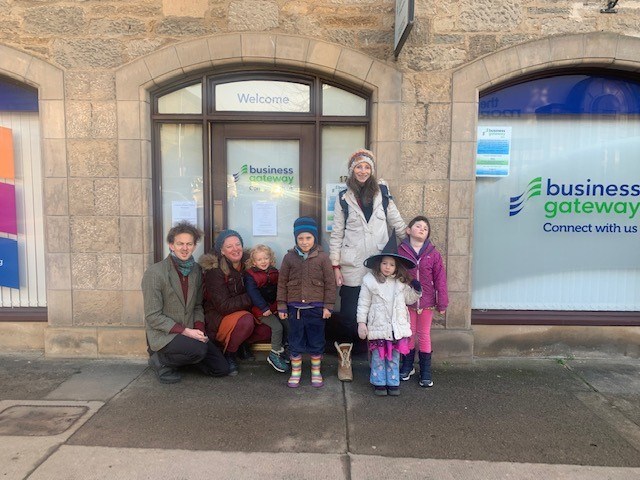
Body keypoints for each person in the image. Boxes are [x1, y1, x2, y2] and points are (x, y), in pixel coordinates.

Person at [329, 148, 407, 382]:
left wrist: (412, 246)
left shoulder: (382, 193)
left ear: (372, 170)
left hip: (379, 265)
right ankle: (345, 360)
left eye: (367, 167)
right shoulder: (343, 198)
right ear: (352, 170)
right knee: (348, 316)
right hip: (352, 266)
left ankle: (379, 362)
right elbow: (336, 233)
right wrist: (335, 266)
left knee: (379, 313)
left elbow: (397, 223)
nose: (362, 171)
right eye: (358, 167)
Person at [142, 221, 230, 384]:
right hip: (165, 334)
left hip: (188, 331)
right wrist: (186, 332)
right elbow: (153, 316)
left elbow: (197, 306)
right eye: (180, 243)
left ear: (194, 246)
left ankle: (181, 361)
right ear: (171, 245)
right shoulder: (155, 273)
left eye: (189, 244)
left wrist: (199, 330)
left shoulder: (196, 270)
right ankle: (159, 361)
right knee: (199, 350)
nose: (184, 248)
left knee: (221, 368)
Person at [199, 230, 271, 376]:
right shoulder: (215, 270)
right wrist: (253, 296)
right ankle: (230, 354)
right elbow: (224, 306)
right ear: (222, 251)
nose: (235, 249)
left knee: (269, 327)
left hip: (245, 313)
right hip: (220, 318)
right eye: (229, 246)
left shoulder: (250, 264)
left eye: (237, 244)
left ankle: (241, 343)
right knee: (246, 320)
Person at [356, 235, 421, 396]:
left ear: (396, 267)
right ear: (379, 264)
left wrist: (416, 290)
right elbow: (363, 303)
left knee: (393, 357)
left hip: (395, 328)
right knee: (378, 356)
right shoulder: (370, 281)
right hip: (378, 326)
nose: (387, 267)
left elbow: (409, 299)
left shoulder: (400, 283)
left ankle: (392, 382)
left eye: (391, 264)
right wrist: (361, 323)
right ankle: (379, 382)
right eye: (384, 263)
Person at [277, 217, 336, 388]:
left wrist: (328, 306)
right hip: (295, 309)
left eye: (308, 238)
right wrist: (281, 305)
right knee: (295, 340)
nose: (304, 242)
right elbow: (282, 282)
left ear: (314, 238)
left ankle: (315, 371)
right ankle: (296, 371)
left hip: (316, 309)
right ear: (295, 238)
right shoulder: (289, 257)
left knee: (316, 340)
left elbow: (330, 284)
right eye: (300, 238)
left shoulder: (323, 258)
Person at [397, 215, 449, 387]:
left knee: (424, 335)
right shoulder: (400, 251)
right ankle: (407, 365)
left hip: (426, 303)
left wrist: (442, 302)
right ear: (408, 230)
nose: (422, 229)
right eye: (418, 226)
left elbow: (440, 279)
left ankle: (425, 370)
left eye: (425, 228)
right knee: (409, 333)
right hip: (407, 302)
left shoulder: (433, 254)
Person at [245, 244, 290, 373]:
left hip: (274, 307)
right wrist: (263, 308)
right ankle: (274, 354)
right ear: (254, 262)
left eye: (266, 258)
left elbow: (280, 289)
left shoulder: (274, 272)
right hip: (260, 310)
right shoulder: (250, 275)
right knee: (277, 327)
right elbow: (253, 293)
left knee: (287, 324)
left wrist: (281, 306)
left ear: (270, 259)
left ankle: (283, 349)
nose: (263, 261)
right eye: (259, 259)